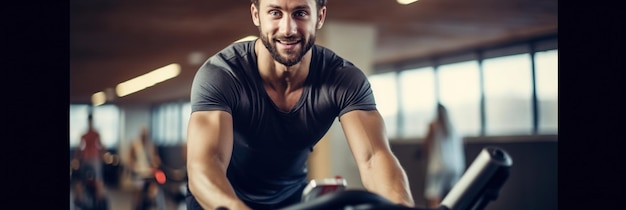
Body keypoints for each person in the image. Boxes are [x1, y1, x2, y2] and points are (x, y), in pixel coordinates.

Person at [185, 0, 415, 209]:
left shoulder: (343, 79)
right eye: (275, 13)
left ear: (320, 17)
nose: (288, 29)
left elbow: (373, 158)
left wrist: (400, 206)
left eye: (301, 13)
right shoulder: (222, 75)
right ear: (256, 15)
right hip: (219, 201)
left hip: (292, 202)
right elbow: (207, 164)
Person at [422, 103, 466, 208]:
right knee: (453, 197)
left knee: (434, 195)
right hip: (455, 166)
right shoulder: (454, 127)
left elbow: (426, 146)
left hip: (438, 166)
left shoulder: (433, 125)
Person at [72, 113, 108, 206]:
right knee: (98, 181)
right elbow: (101, 147)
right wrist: (104, 154)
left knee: (83, 182)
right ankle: (98, 202)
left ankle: (82, 201)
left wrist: (76, 159)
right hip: (93, 160)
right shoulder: (93, 134)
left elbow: (79, 149)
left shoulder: (87, 134)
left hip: (86, 159)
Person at [128, 126, 163, 210]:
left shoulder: (151, 145)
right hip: (139, 172)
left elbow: (156, 158)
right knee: (138, 191)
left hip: (149, 172)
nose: (144, 137)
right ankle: (137, 205)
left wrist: (156, 162)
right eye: (143, 135)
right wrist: (134, 166)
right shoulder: (135, 145)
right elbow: (130, 159)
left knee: (155, 190)